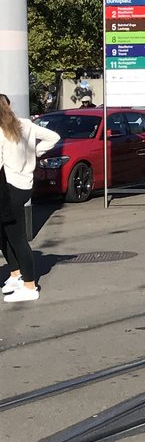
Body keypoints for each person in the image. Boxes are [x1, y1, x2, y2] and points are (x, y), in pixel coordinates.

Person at [0, 94, 60, 302]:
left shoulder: (1, 131)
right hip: (24, 185)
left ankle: (29, 285)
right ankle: (16, 274)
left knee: (15, 236)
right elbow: (54, 137)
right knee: (6, 232)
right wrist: (36, 151)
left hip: (9, 187)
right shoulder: (26, 124)